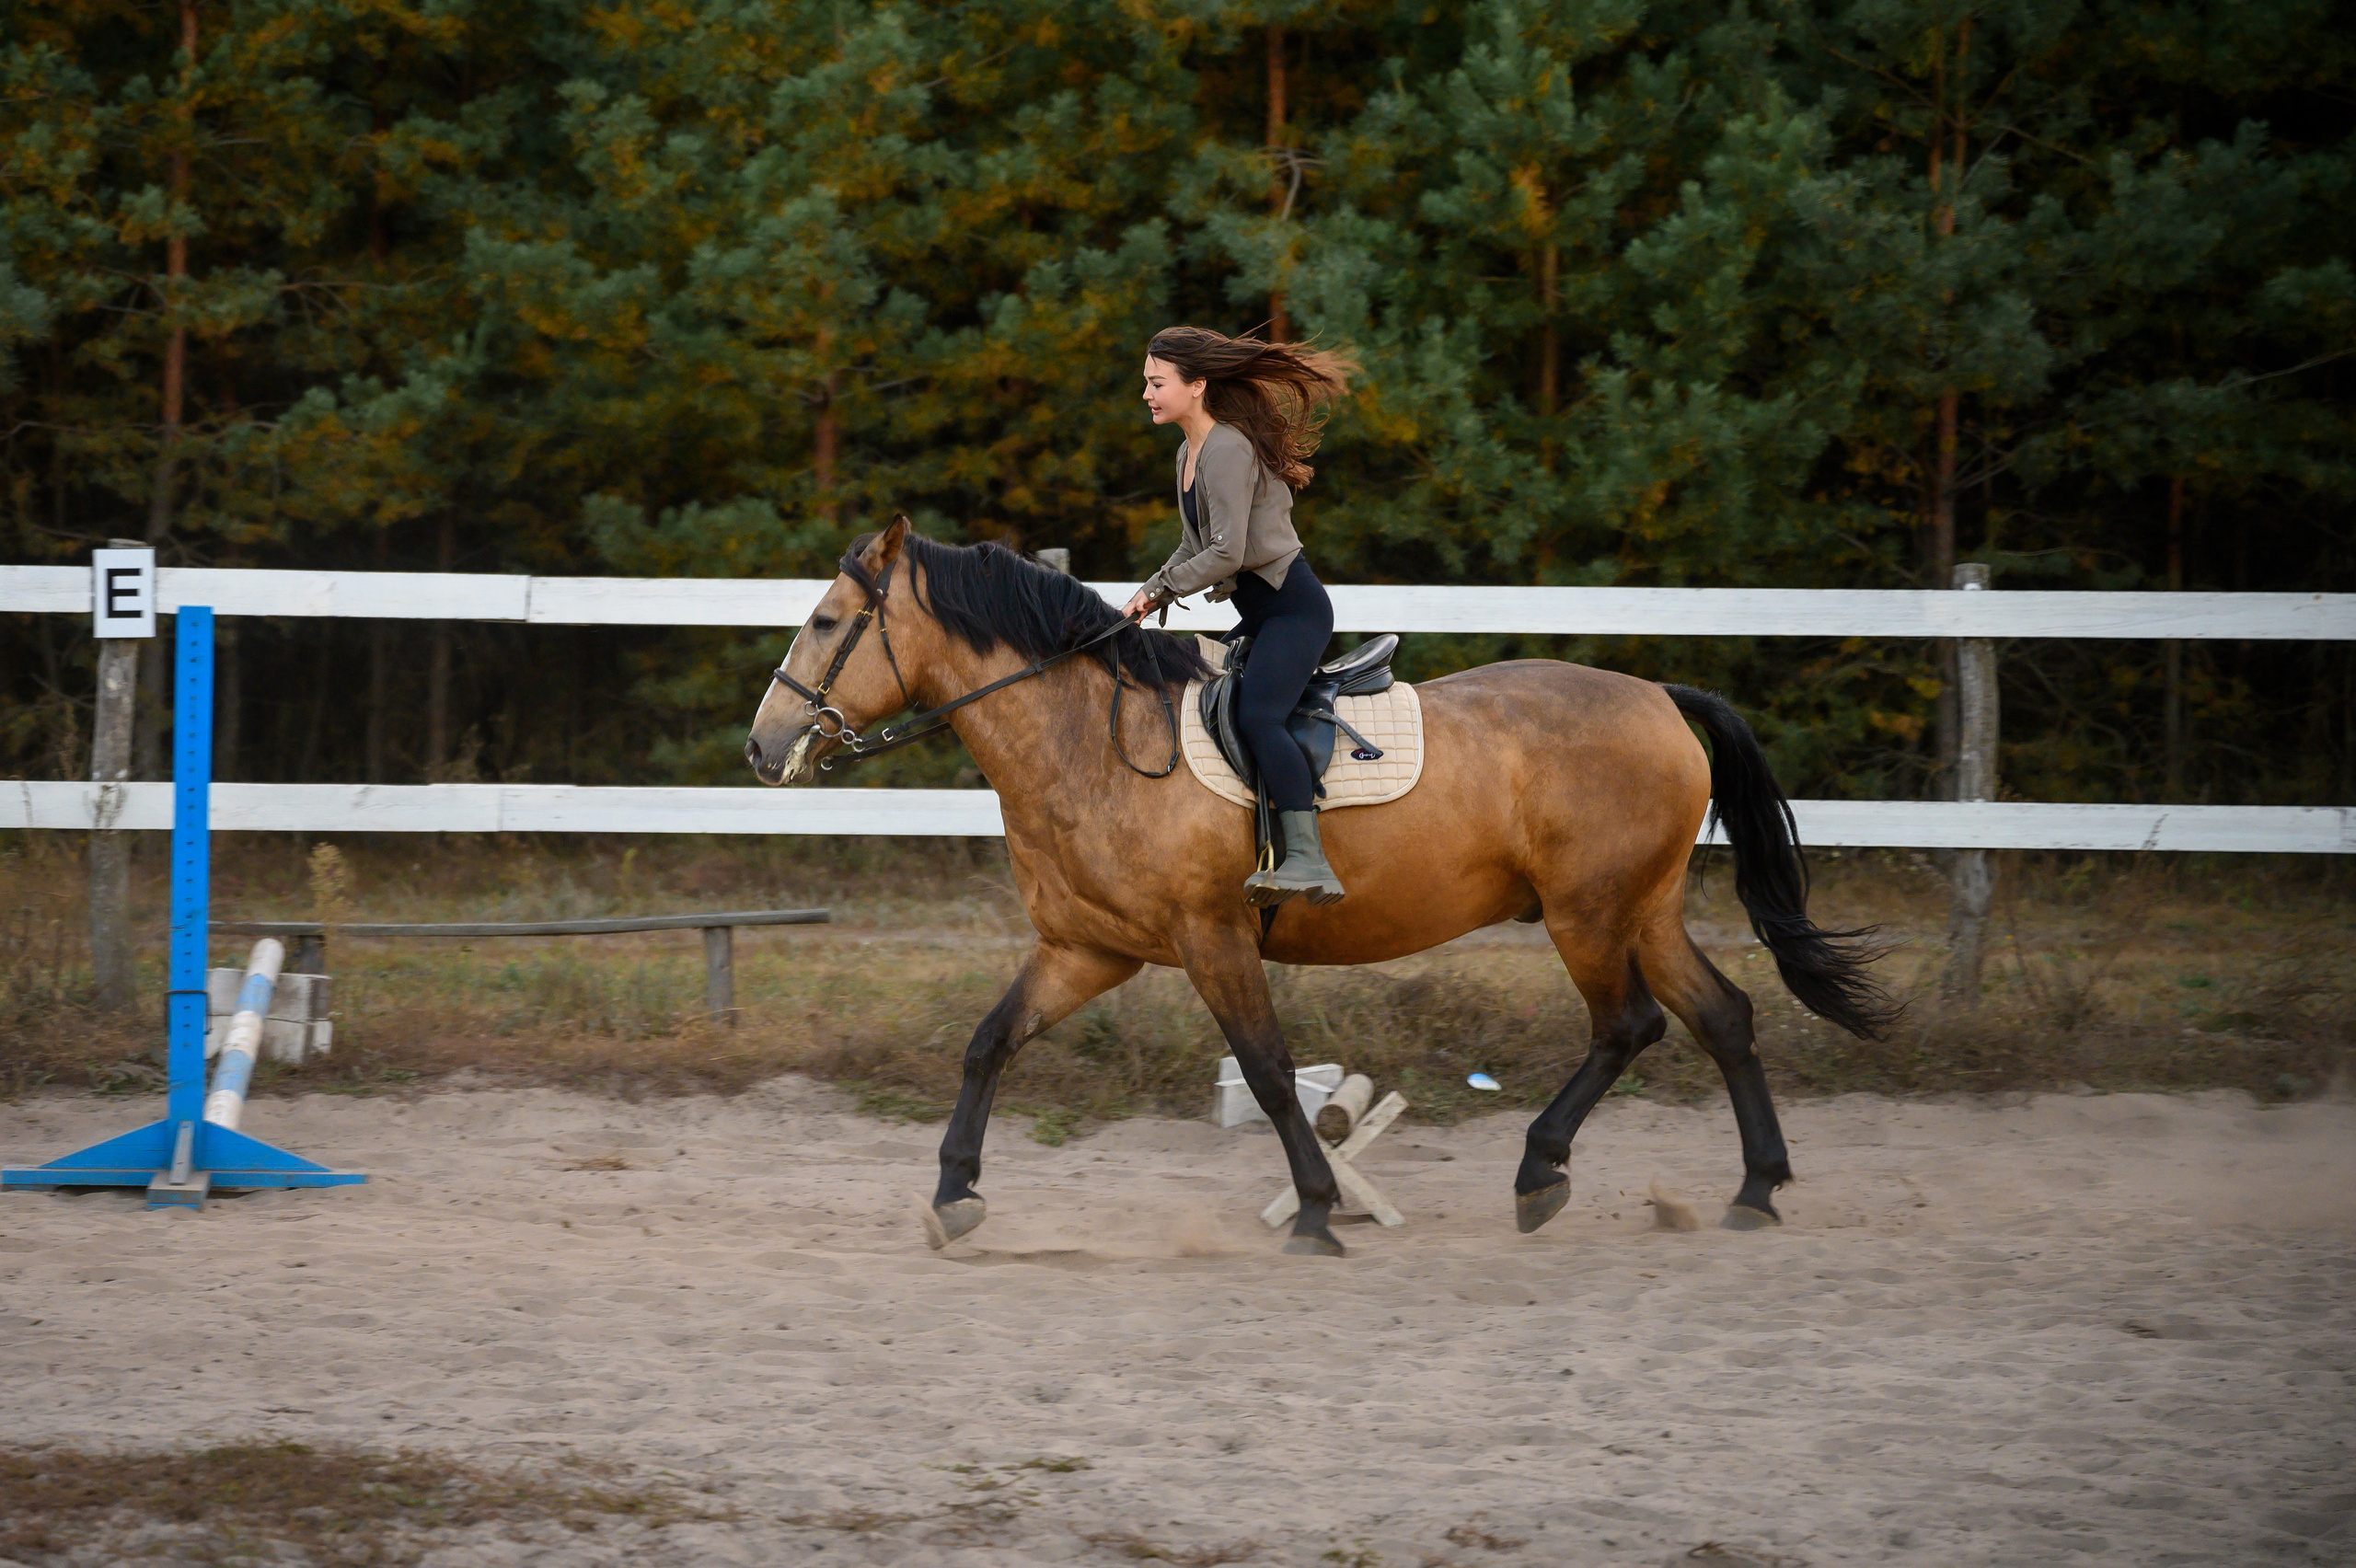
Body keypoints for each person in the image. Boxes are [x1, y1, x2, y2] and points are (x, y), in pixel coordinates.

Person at [1121, 326, 1357, 906]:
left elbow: (1226, 553)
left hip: (1292, 612)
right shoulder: (1189, 452)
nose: (1147, 395)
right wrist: (1148, 593)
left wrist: (1163, 590)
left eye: (1157, 383)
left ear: (1197, 384)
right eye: (1146, 384)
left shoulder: (1226, 447)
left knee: (1259, 718)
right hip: (1261, 614)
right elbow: (1192, 544)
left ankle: (1309, 859)